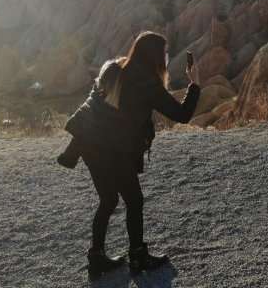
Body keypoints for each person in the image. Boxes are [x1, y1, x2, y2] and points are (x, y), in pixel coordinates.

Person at [59, 31, 201, 279]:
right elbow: (182, 115)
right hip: (113, 150)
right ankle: (138, 256)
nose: (167, 56)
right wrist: (195, 85)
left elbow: (92, 106)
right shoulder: (148, 83)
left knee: (108, 200)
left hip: (91, 145)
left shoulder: (112, 68)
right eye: (165, 52)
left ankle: (97, 259)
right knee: (134, 201)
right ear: (156, 56)